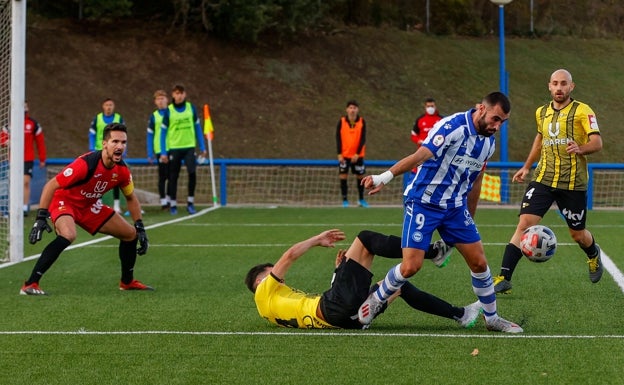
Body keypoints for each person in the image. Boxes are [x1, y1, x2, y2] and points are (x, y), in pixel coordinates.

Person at [357, 92, 523, 333]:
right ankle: (376, 299)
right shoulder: (451, 127)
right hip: (423, 202)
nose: (497, 126)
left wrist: (469, 219)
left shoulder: (489, 143)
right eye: (495, 119)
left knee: (479, 262)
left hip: (455, 207)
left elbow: (476, 181)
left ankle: (492, 318)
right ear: (481, 109)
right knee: (411, 267)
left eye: (502, 122)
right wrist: (384, 177)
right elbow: (419, 156)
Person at [493, 69, 604, 294]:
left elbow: (597, 142)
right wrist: (526, 167)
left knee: (578, 234)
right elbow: (539, 140)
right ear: (549, 86)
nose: (559, 87)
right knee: (524, 224)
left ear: (571, 86)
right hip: (543, 178)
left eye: (564, 83)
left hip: (572, 183)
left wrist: (580, 148)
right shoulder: (541, 112)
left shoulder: (583, 111)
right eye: (555, 83)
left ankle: (593, 253)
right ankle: (504, 277)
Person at [245, 229, 482, 329]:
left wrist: (339, 273)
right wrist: (317, 239)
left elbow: (315, 310)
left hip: (347, 319)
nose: (280, 279)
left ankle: (461, 315)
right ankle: (434, 252)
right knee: (365, 239)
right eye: (271, 272)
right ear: (259, 282)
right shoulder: (264, 291)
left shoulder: (269, 310)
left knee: (399, 286)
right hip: (335, 308)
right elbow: (289, 256)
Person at [20, 123, 151, 295]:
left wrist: (140, 226)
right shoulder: (86, 164)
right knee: (69, 234)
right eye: (115, 141)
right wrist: (40, 217)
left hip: (89, 205)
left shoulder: (123, 171)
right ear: (104, 144)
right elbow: (51, 185)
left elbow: (131, 198)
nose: (120, 146)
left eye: (123, 142)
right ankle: (30, 284)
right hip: (65, 200)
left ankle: (127, 282)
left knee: (130, 234)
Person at [159, 84, 207, 215]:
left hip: (189, 147)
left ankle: (190, 202)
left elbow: (197, 128)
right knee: (173, 176)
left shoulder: (191, 108)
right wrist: (163, 151)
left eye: (181, 93)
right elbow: (163, 133)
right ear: (173, 95)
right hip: (174, 148)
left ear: (184, 94)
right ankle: (173, 204)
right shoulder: (169, 111)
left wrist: (202, 146)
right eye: (176, 93)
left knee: (192, 173)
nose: (178, 96)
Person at [89, 98, 124, 213]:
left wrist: (123, 149)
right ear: (103, 106)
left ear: (113, 106)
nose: (108, 107)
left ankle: (116, 205)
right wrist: (91, 148)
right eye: (106, 105)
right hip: (100, 151)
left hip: (115, 152)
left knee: (115, 177)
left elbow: (123, 135)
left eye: (110, 105)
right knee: (99, 177)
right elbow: (92, 134)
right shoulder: (97, 119)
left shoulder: (118, 118)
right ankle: (98, 202)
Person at [336, 100, 368, 208]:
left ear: (357, 110)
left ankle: (361, 200)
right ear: (347, 109)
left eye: (354, 108)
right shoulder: (342, 121)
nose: (352, 110)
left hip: (357, 156)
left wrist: (357, 154)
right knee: (343, 177)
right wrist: (339, 153)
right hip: (344, 156)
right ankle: (345, 200)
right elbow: (338, 138)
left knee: (360, 178)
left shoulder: (362, 122)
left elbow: (363, 139)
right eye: (350, 108)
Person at [409, 98, 444, 181]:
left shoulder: (441, 120)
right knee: (415, 178)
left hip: (436, 155)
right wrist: (418, 140)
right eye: (428, 106)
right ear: (425, 107)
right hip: (421, 153)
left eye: (432, 106)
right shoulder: (420, 120)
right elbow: (413, 135)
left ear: (435, 106)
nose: (430, 108)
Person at [146, 89, 170, 210]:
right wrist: (150, 152)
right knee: (163, 175)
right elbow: (150, 135)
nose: (160, 101)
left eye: (162, 98)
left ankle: (171, 199)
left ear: (167, 99)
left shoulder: (172, 113)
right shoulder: (154, 116)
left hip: (173, 147)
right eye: (158, 99)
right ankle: (163, 201)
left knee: (172, 175)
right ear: (155, 102)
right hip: (160, 149)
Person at [23, 102, 47, 216]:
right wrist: (5, 142)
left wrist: (42, 158)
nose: (24, 108)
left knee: (25, 182)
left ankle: (24, 208)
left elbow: (40, 142)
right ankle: (14, 206)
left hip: (27, 158)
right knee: (13, 184)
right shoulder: (11, 123)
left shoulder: (33, 124)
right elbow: (2, 137)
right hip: (13, 160)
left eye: (26, 106)